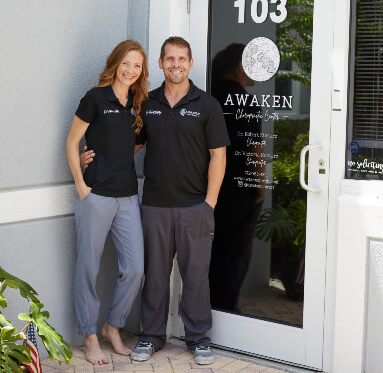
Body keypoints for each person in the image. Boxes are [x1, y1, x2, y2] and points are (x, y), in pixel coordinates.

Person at [81, 36, 229, 365]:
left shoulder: (206, 105)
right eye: (169, 59)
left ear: (191, 64)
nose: (176, 64)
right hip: (154, 206)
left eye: (182, 59)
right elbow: (128, 146)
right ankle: (151, 337)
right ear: (161, 64)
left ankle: (199, 338)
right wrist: (93, 158)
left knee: (195, 277)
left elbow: (218, 156)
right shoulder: (147, 104)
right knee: (155, 276)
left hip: (196, 207)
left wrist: (210, 203)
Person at [66, 40, 149, 365]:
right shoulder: (95, 98)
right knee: (88, 267)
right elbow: (73, 143)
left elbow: (136, 144)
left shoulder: (138, 103)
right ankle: (89, 336)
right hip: (95, 195)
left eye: (137, 66)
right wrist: (81, 185)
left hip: (128, 196)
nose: (130, 71)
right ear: (115, 63)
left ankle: (112, 325)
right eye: (126, 64)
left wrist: (113, 157)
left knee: (135, 269)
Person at [209, 43, 265, 312]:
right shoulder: (245, 100)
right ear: (241, 66)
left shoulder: (209, 96)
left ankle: (210, 307)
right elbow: (255, 147)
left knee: (213, 250)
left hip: (210, 186)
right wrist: (260, 187)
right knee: (235, 253)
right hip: (239, 188)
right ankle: (227, 310)